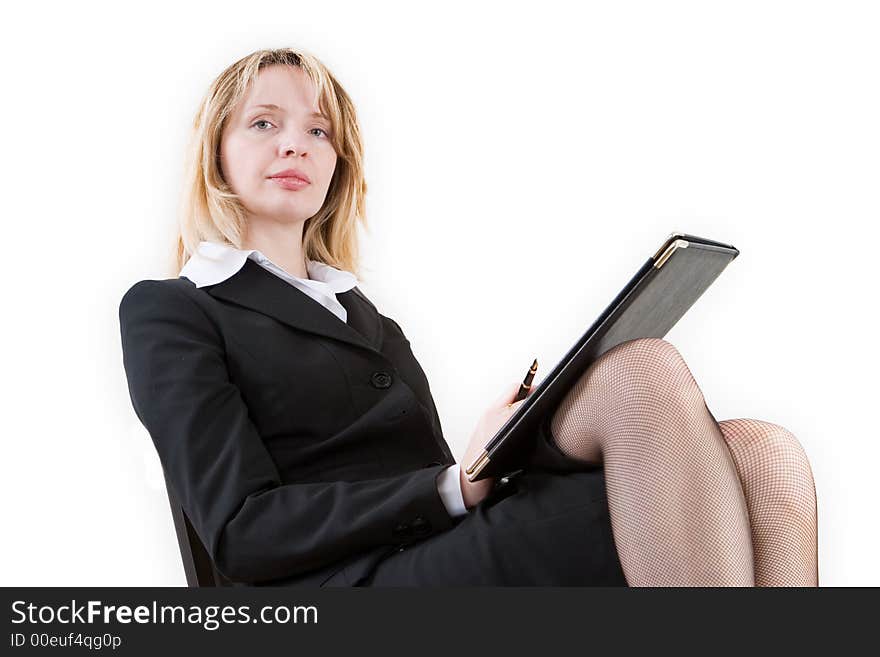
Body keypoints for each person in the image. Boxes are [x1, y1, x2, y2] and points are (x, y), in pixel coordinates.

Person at [118, 47, 818, 587]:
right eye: (264, 123)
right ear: (215, 151)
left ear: (339, 164)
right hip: (342, 585)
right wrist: (451, 485)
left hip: (432, 547)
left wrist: (503, 445)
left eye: (319, 131)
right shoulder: (174, 309)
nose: (295, 143)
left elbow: (439, 481)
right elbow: (240, 530)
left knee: (763, 453)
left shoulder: (369, 320)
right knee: (643, 377)